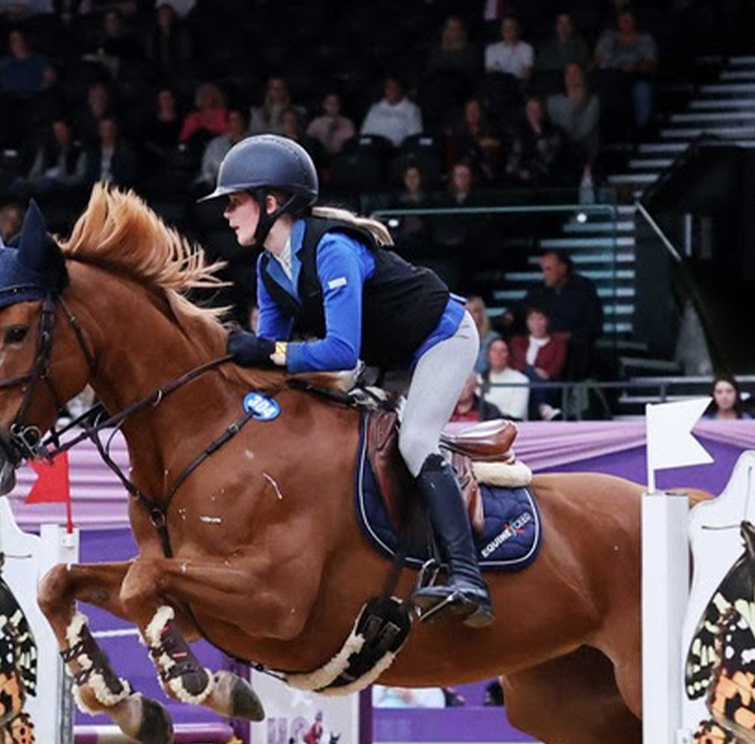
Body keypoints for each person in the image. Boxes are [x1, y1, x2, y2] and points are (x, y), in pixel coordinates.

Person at [211, 135, 491, 627]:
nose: (227, 214)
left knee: (416, 439)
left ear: (271, 202)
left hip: (440, 338)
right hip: (386, 357)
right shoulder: (268, 268)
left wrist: (268, 351)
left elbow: (339, 351)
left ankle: (468, 577)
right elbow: (273, 364)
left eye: (235, 202)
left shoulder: (333, 248)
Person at [360, 75, 423, 147]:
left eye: (394, 88)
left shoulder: (412, 109)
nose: (391, 91)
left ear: (401, 89)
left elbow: (414, 138)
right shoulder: (375, 107)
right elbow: (364, 133)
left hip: (396, 151)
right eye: (388, 88)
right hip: (373, 149)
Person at [481, 337, 533, 420]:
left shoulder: (521, 380)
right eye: (494, 350)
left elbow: (517, 413)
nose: (498, 354)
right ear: (488, 354)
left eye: (503, 351)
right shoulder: (479, 379)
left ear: (509, 355)